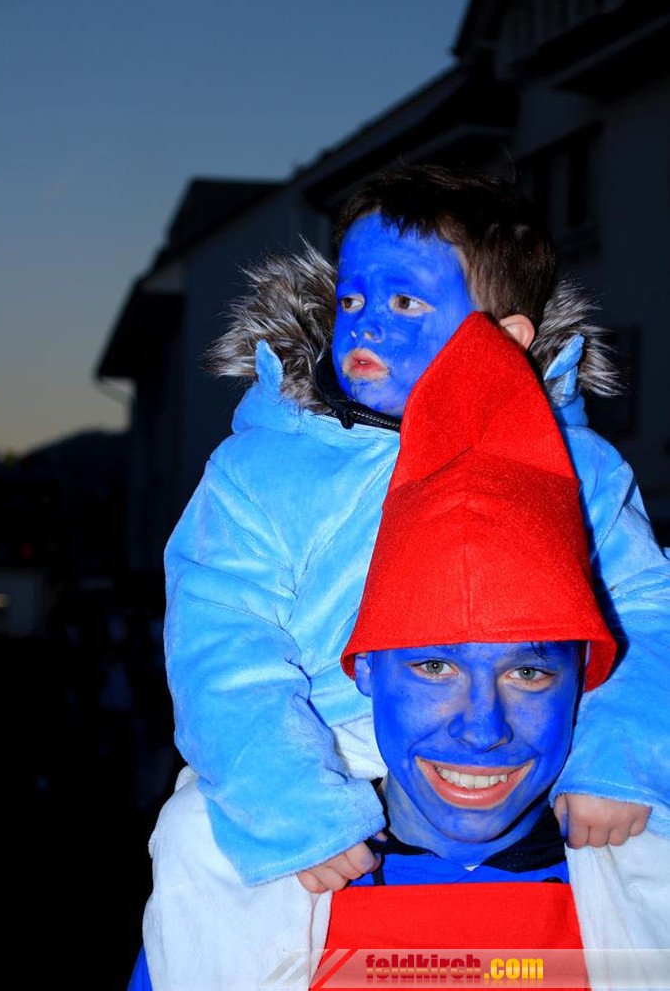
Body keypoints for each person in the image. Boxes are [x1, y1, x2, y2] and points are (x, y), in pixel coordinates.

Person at [136, 166, 669, 991]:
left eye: (406, 302)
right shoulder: (267, 468)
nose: (366, 324)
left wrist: (618, 756)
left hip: (535, 740)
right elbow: (218, 639)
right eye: (351, 299)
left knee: (647, 845)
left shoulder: (576, 466)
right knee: (197, 841)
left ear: (509, 337)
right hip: (317, 743)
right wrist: (290, 802)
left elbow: (646, 608)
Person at [316, 310, 668, 991]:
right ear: (364, 670)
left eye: (528, 671)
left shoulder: (649, 888)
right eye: (434, 666)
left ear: (582, 680)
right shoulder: (242, 901)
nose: (483, 729)